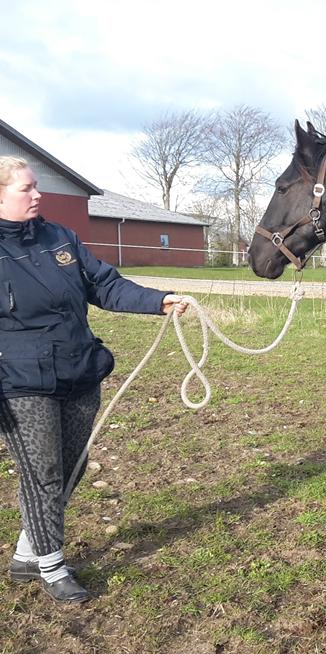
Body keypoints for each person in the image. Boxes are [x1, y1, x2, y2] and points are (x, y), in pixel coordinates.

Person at [0, 155, 188, 604]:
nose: (37, 195)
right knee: (41, 473)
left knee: (73, 465)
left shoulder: (59, 238)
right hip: (21, 381)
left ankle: (29, 549)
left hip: (79, 370)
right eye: (26, 188)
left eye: (35, 186)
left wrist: (158, 300)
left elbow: (105, 285)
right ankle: (51, 566)